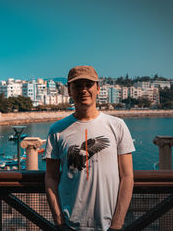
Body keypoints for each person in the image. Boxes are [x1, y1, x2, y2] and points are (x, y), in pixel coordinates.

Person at [44, 65, 135, 231]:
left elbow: (127, 176)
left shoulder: (117, 126)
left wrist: (117, 224)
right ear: (69, 91)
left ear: (98, 88)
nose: (83, 90)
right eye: (77, 86)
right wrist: (59, 223)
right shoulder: (56, 130)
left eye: (88, 84)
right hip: (70, 225)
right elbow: (51, 177)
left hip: (109, 226)